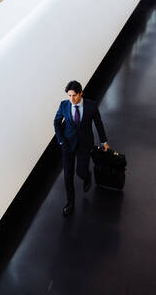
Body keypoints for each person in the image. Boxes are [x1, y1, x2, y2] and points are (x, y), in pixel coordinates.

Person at [53, 80, 109, 217]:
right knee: (68, 176)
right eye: (69, 96)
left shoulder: (91, 106)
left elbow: (98, 124)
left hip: (84, 144)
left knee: (81, 172)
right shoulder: (64, 105)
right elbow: (56, 121)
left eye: (74, 96)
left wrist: (104, 141)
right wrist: (60, 140)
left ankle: (87, 176)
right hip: (67, 144)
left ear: (81, 93)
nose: (71, 99)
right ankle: (70, 203)